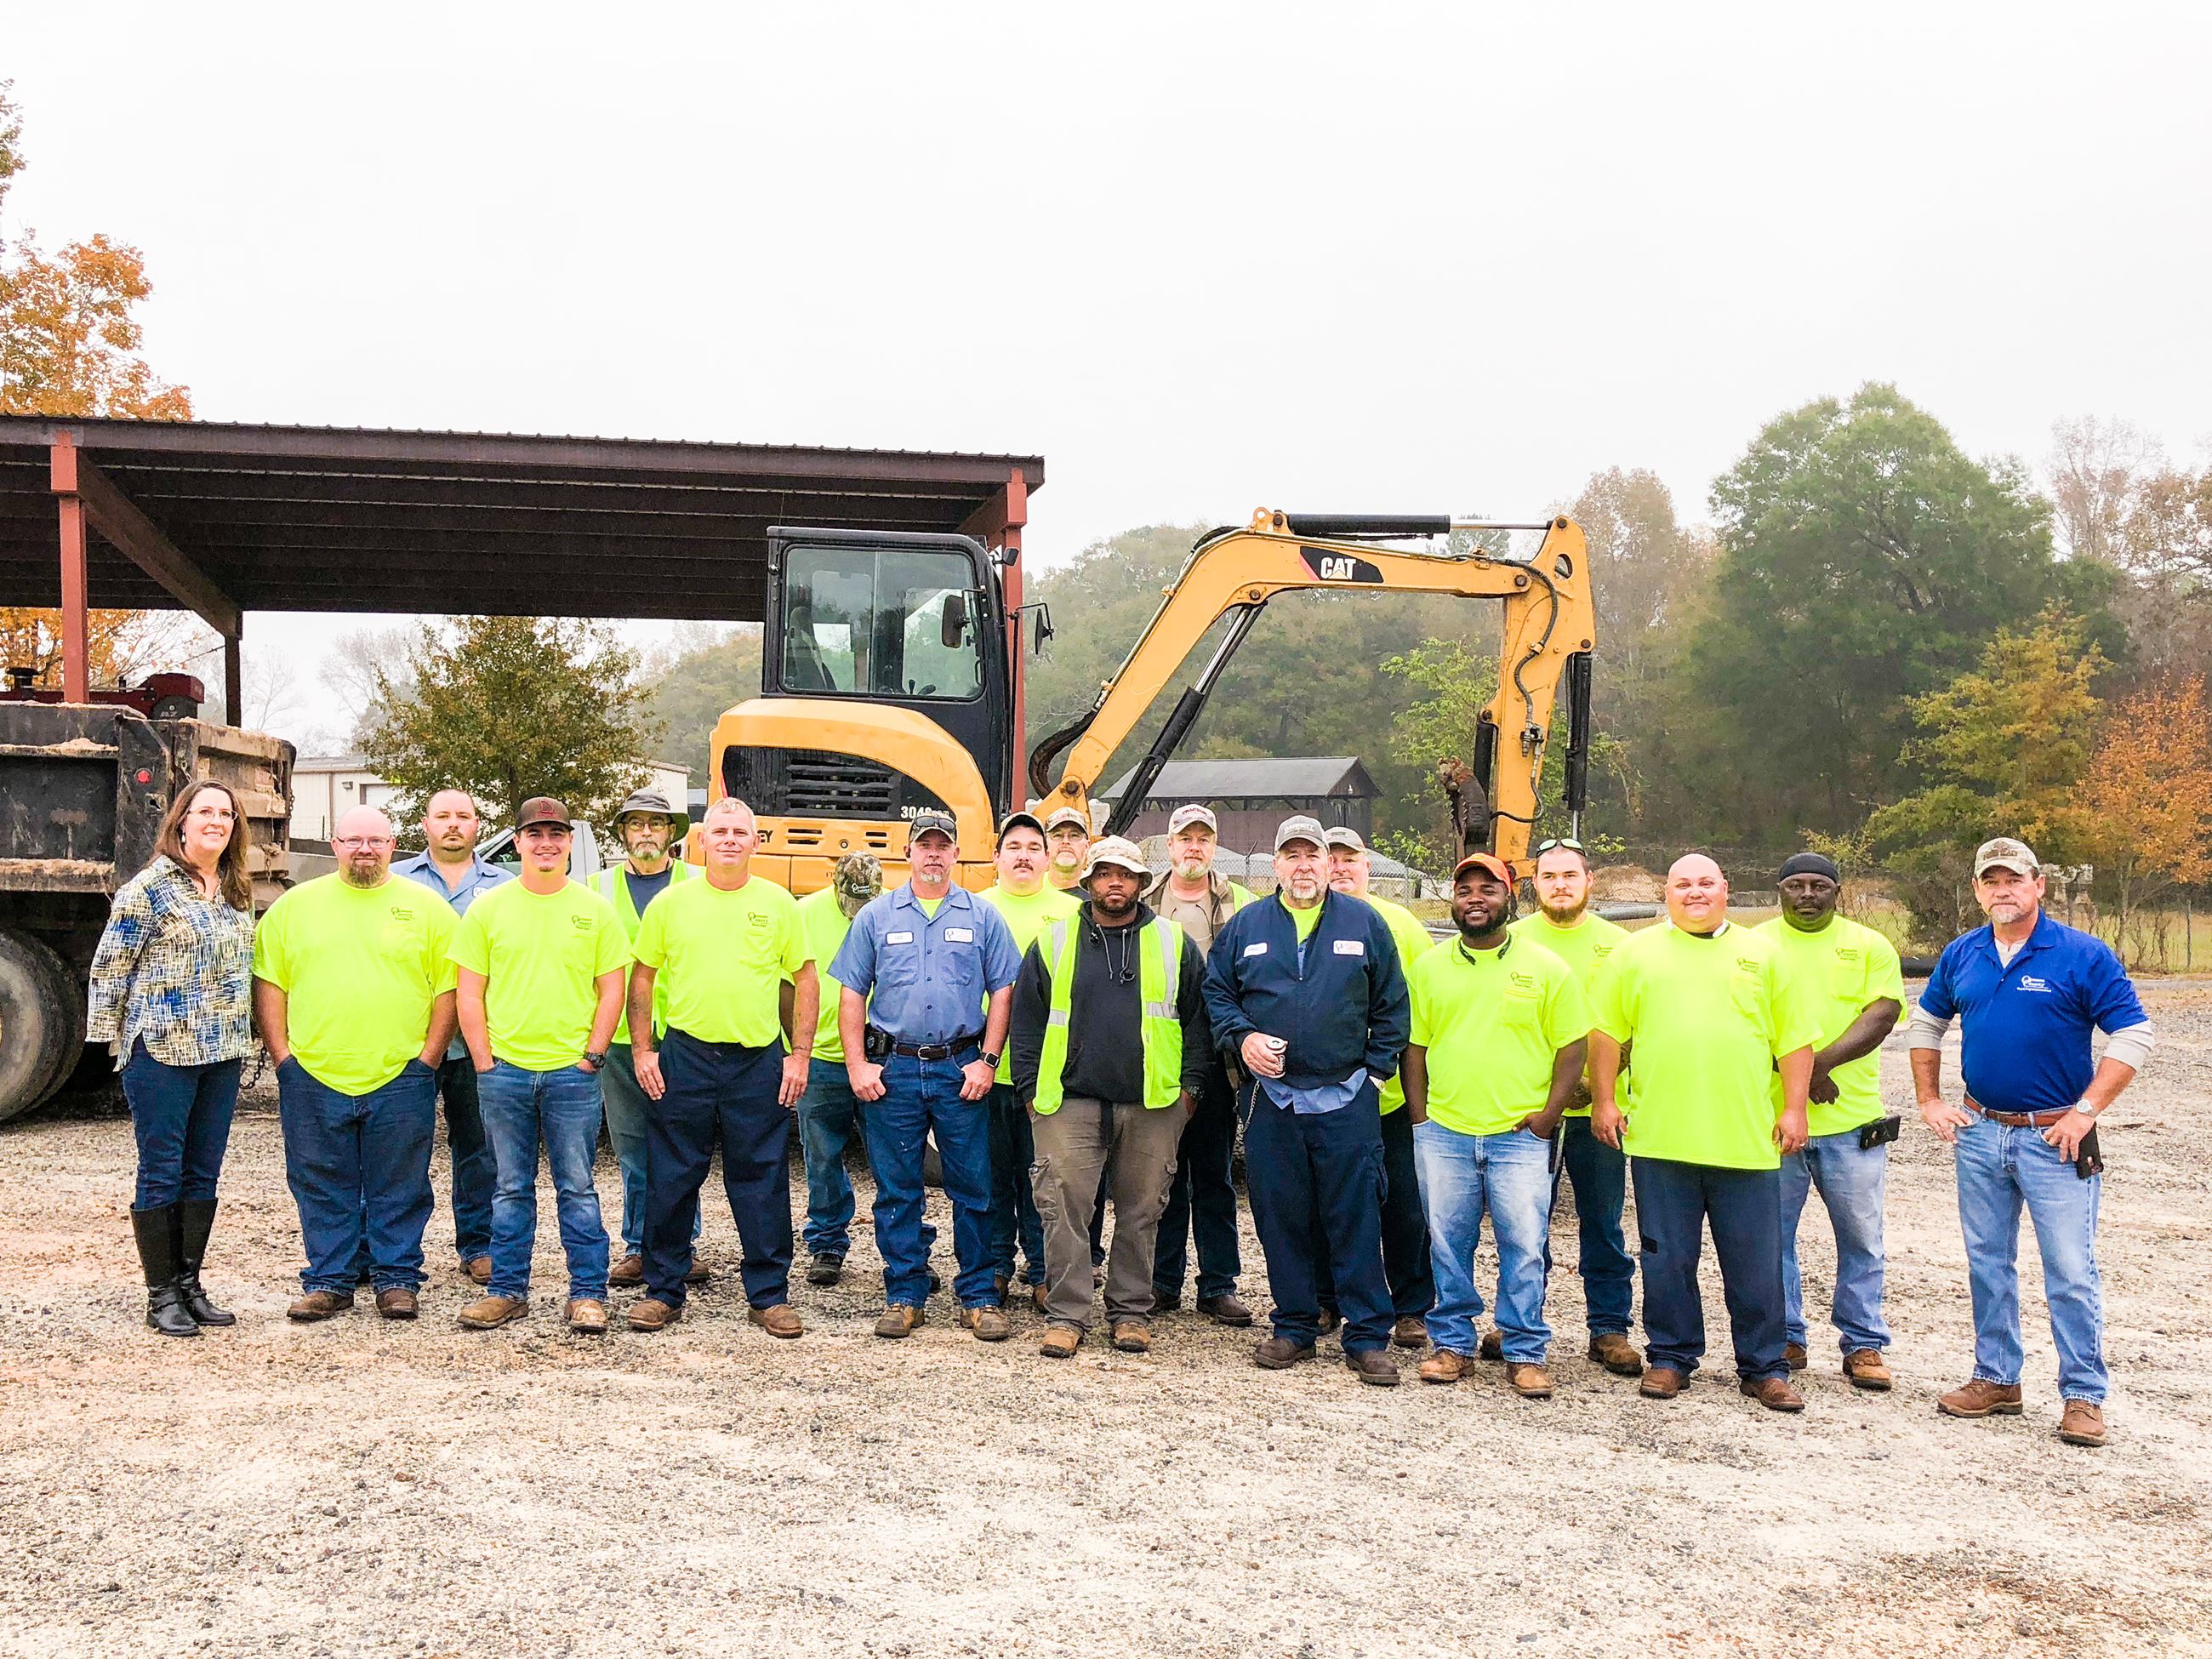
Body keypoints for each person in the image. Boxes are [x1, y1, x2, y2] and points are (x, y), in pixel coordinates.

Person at [1909, 837, 2152, 1450]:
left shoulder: (2080, 955)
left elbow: (2134, 1034)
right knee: (1988, 1263)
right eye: (1991, 881)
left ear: (2038, 884)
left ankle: (2083, 1396)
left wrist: (2085, 1112)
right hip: (1981, 1132)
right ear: (1977, 890)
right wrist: (1930, 1100)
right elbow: (1927, 1023)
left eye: (2014, 879)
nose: (2003, 890)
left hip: (2055, 1139)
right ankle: (1997, 1379)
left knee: (2070, 1270)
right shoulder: (1962, 954)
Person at [1589, 854, 1821, 1412]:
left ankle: (1764, 1365)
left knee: (1756, 1263)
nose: (1695, 893)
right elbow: (1605, 1035)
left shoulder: (1764, 955)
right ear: (1665, 893)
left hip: (1744, 1140)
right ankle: (1671, 1357)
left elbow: (1793, 1041)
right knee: (1667, 1259)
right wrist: (1603, 1100)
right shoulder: (1634, 954)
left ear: (1726, 888)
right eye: (1683, 884)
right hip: (1660, 1141)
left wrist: (1794, 1110)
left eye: (1705, 883)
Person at [1203, 815, 1411, 1386]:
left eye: (1312, 855)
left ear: (1328, 863)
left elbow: (1393, 1006)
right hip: (1274, 1102)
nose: (1302, 866)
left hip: (1346, 1099)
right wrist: (1241, 1037)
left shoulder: (1363, 923)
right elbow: (1217, 991)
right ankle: (1295, 1325)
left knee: (1356, 1215)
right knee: (1281, 1215)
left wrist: (1373, 1074)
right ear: (1276, 865)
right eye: (1290, 856)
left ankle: (1367, 1336)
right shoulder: (1249, 926)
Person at [252, 807, 457, 1322]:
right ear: (334, 843)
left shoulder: (427, 909)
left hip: (401, 1075)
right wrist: (284, 1058)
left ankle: (397, 1279)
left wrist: (427, 1059)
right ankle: (329, 1280)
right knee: (320, 1180)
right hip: (314, 1074)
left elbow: (449, 990)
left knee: (402, 1182)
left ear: (394, 844)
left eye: (375, 840)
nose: (364, 849)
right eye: (352, 840)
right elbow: (270, 985)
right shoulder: (294, 908)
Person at [1011, 836, 1211, 1356]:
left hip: (1153, 1103)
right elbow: (1027, 1023)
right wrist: (1032, 1092)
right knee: (1063, 1209)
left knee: (1142, 1212)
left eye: (1125, 875)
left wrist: (1189, 1093)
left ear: (1142, 884)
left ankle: (1130, 1312)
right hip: (1067, 1100)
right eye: (1104, 874)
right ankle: (1067, 1314)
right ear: (1090, 881)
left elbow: (1197, 1022)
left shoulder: (1173, 942)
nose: (1114, 883)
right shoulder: (1053, 942)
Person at [622, 800, 815, 1338]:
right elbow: (641, 980)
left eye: (740, 831)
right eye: (720, 831)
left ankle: (768, 1296)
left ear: (756, 841)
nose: (730, 839)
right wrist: (643, 1050)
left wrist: (798, 1055)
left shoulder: (778, 904)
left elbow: (805, 980)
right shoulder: (671, 904)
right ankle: (663, 1290)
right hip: (685, 1057)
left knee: (763, 1178)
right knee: (672, 1176)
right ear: (702, 842)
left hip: (756, 1061)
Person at [1403, 853, 1591, 1397]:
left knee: (1525, 1245)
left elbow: (1572, 1045)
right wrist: (1421, 1119)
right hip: (1446, 1131)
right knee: (1447, 1242)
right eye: (1465, 891)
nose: (1476, 899)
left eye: (1489, 889)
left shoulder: (1547, 968)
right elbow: (1413, 1049)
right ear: (1453, 901)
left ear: (1510, 897)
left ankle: (1524, 1348)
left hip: (1519, 1137)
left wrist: (1549, 1117)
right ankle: (1453, 1343)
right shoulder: (1431, 968)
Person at [830, 809, 1022, 1341]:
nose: (933, 853)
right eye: (924, 845)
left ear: (956, 853)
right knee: (897, 1188)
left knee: (974, 1185)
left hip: (961, 1068)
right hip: (892, 1071)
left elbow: (1003, 990)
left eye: (943, 845)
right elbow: (851, 992)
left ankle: (979, 1294)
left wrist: (988, 1060)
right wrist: (857, 1065)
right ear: (909, 853)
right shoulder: (876, 916)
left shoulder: (982, 917)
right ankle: (905, 1291)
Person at [448, 797, 630, 1335]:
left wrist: (593, 1055)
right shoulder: (489, 909)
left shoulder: (595, 910)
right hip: (505, 1071)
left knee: (577, 1186)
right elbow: (469, 992)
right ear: (518, 841)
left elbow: (611, 986)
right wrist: (483, 1059)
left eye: (556, 833)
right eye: (534, 834)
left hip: (573, 1075)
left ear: (570, 841)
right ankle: (507, 1290)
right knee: (508, 1186)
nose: (546, 843)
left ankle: (587, 1293)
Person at [87, 781, 256, 1339]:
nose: (216, 820)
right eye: (204, 811)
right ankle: (161, 1295)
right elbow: (110, 968)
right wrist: (108, 1047)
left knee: (203, 1171)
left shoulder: (234, 887)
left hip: (223, 1050)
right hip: (161, 1050)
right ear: (181, 821)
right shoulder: (149, 888)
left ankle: (190, 1284)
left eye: (225, 813)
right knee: (162, 1169)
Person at [1754, 852, 1905, 1388]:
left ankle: (1863, 1344)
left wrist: (1815, 1065)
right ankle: (1787, 1336)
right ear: (1779, 890)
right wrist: (1799, 1076)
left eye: (1820, 885)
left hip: (1852, 1122)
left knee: (1861, 1237)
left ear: (1837, 892)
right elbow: (1744, 1023)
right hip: (1772, 1122)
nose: (1808, 895)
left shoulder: (1868, 946)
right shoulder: (1754, 947)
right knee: (1772, 1238)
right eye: (1796, 885)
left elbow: (1882, 1014)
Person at [1508, 837, 1642, 1377]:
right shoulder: (1513, 941)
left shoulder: (1622, 946)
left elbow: (1634, 1023)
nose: (1560, 884)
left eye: (1570, 875)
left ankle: (1609, 1328)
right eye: (1549, 876)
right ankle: (1519, 1320)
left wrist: (1599, 1087)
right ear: (1533, 885)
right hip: (1529, 1112)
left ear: (1590, 882)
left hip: (1601, 1112)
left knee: (1603, 1221)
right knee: (1524, 1223)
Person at [1320, 826, 1436, 1349]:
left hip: (1389, 1098)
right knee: (1332, 1203)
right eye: (1332, 859)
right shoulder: (1307, 921)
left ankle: (1411, 1306)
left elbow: (1421, 1011)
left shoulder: (1403, 925)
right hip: (1328, 1100)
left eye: (1351, 859)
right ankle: (1329, 1300)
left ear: (1368, 866)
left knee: (1404, 1206)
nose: (1341, 868)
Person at [1142, 804, 1257, 1325]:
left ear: (1215, 847)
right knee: (1160, 1175)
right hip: (1156, 1060)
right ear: (1169, 846)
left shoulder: (1244, 906)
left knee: (1213, 1175)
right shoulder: (1144, 903)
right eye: (1184, 838)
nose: (1193, 847)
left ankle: (1217, 1284)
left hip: (1218, 1059)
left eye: (1203, 839)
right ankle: (1162, 1281)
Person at [394, 789, 511, 1285]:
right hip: (409, 1039)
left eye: (463, 816)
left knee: (479, 1150)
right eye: (443, 816)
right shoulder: (395, 882)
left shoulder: (505, 886)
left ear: (478, 826)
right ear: (426, 825)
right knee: (400, 1151)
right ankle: (390, 1252)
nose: (453, 825)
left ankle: (479, 1245)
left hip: (478, 1042)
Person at [591, 787, 698, 1290]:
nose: (647, 834)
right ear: (622, 834)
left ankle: (684, 1244)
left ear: (672, 833)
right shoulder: (595, 889)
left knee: (682, 1144)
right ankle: (638, 1246)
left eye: (656, 825)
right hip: (618, 1039)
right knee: (632, 1146)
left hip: (683, 1034)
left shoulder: (698, 884)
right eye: (636, 825)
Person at [978, 811, 1080, 1308]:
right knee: (994, 1175)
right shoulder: (975, 909)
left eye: (1033, 847)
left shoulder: (1071, 914)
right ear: (996, 857)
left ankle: (1043, 1271)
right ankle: (995, 1265)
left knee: (1045, 1179)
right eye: (1013, 846)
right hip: (985, 1071)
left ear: (1047, 859)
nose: (1023, 855)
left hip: (1050, 1073)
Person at [790, 852, 885, 1287]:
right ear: (834, 884)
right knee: (823, 1157)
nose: (857, 913)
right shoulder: (803, 914)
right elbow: (783, 982)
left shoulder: (893, 911)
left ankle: (905, 1250)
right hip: (824, 1057)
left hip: (882, 1059)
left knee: (894, 1160)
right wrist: (795, 1050)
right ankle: (827, 1242)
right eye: (850, 902)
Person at [1042, 805, 1091, 893]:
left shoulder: (1098, 892)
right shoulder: (1031, 888)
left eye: (1074, 835)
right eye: (1057, 835)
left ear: (1087, 846)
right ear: (1045, 845)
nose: (1065, 841)